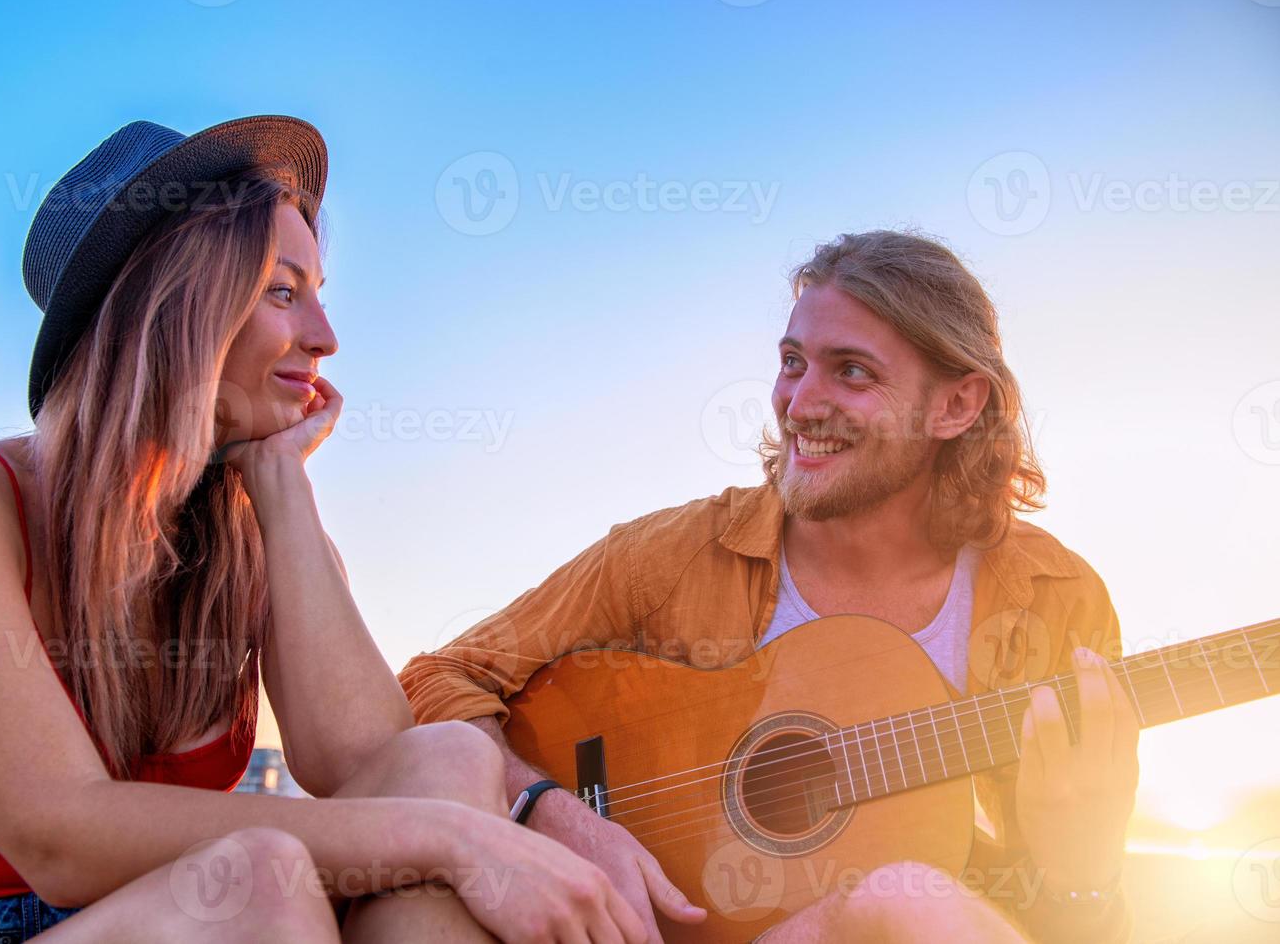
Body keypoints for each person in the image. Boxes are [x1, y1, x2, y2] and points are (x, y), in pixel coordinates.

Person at [0, 116, 646, 943]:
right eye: (283, 292)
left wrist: (281, 489)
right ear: (171, 311)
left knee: (451, 759)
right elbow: (58, 839)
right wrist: (457, 839)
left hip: (216, 916)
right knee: (259, 881)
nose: (326, 339)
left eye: (319, 295)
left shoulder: (245, 532)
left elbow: (363, 761)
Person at [400, 230, 1140, 944]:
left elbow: (1054, 922)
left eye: (850, 371)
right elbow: (437, 678)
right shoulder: (665, 559)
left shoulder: (1056, 600)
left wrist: (1085, 873)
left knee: (900, 900)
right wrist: (556, 814)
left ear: (955, 406)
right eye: (792, 362)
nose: (800, 403)